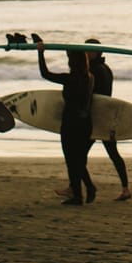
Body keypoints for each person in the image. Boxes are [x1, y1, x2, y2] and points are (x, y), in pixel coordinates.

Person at [34, 35, 96, 206]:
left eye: (69, 59)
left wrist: (41, 53)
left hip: (71, 124)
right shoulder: (90, 78)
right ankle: (86, 190)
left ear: (72, 63)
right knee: (78, 160)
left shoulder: (69, 79)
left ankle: (81, 194)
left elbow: (45, 74)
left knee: (72, 160)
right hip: (85, 123)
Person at [84, 41, 132, 201]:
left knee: (79, 156)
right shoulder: (105, 68)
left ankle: (83, 187)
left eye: (89, 51)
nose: (86, 54)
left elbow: (94, 96)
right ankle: (125, 189)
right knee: (112, 153)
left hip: (97, 118)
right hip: (106, 117)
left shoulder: (95, 70)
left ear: (97, 53)